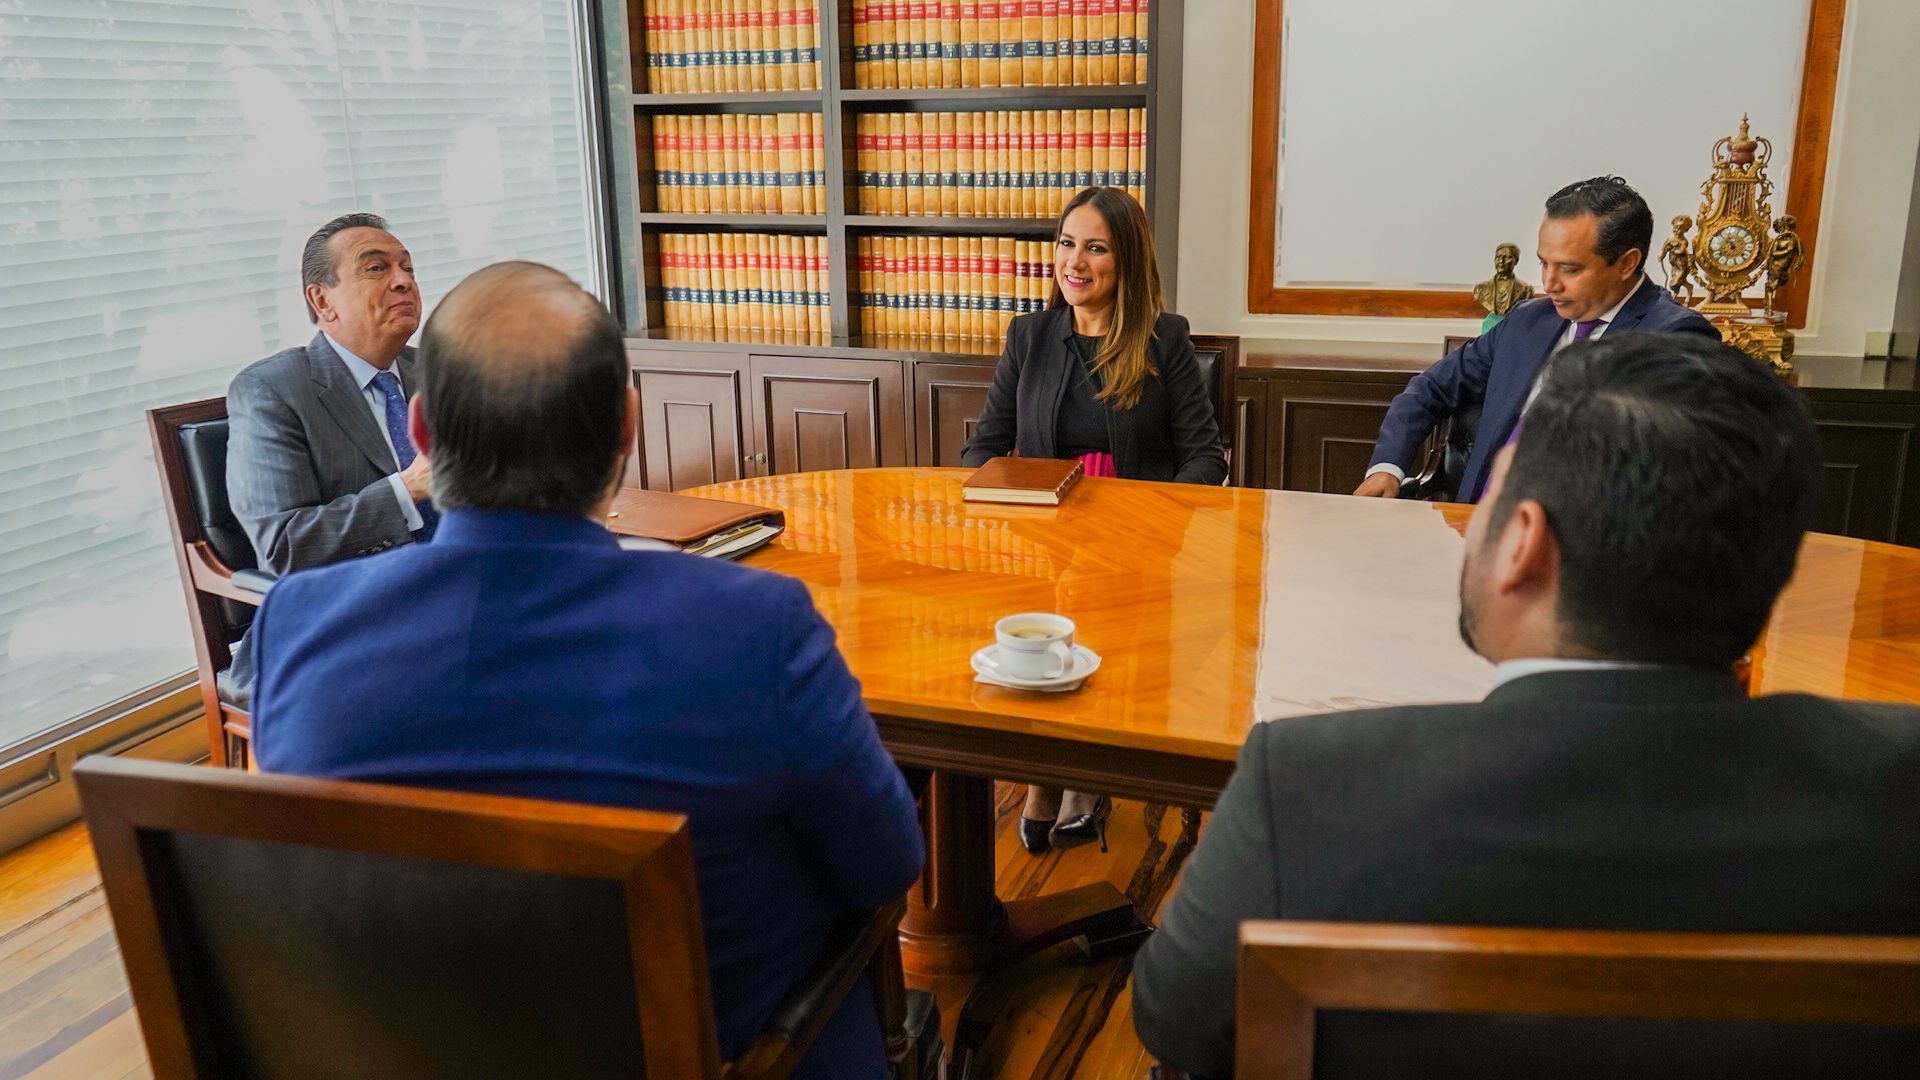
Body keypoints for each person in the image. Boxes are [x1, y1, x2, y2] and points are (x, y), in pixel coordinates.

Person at [1133, 332, 1920, 1079]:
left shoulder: (1304, 785)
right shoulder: (1902, 784)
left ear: (1523, 544)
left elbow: (1174, 1018)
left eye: (1490, 501)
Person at [249, 262, 926, 1080]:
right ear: (627, 425)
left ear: (421, 432)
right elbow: (886, 865)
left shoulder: (297, 625)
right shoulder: (756, 627)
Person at [960, 185, 1226, 854]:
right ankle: (1044, 776)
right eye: (1066, 243)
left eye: (1096, 248)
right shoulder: (1029, 335)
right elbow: (983, 445)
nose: (1074, 262)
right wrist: (1003, 503)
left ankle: (1082, 780)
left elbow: (1204, 456)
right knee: (1040, 639)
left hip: (1137, 537)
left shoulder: (1165, 337)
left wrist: (1143, 519)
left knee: (1096, 627)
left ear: (1126, 260)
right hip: (1042, 531)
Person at [1354, 176, 1717, 504]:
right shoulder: (1527, 320)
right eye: (1544, 263)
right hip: (1470, 525)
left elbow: (1664, 473)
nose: (1549, 283)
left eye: (1569, 269)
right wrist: (1386, 469)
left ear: (1627, 263)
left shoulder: (1675, 336)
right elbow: (1430, 388)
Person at [221, 213, 436, 706]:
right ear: (322, 301)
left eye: (407, 267)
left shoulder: (437, 370)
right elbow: (285, 547)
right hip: (344, 618)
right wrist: (410, 488)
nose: (403, 281)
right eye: (377, 268)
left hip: (457, 588)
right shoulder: (273, 390)